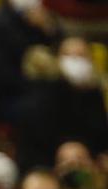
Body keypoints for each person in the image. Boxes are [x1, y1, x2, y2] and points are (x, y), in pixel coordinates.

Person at [14, 38, 108, 175]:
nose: (75, 61)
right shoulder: (41, 96)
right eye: (68, 55)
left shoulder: (96, 96)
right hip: (47, 167)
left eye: (81, 55)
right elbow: (31, 144)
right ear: (57, 59)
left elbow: (102, 140)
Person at [0, 0, 62, 122]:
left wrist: (47, 29)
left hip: (36, 92)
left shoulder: (42, 22)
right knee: (42, 107)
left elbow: (56, 51)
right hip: (2, 97)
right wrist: (31, 85)